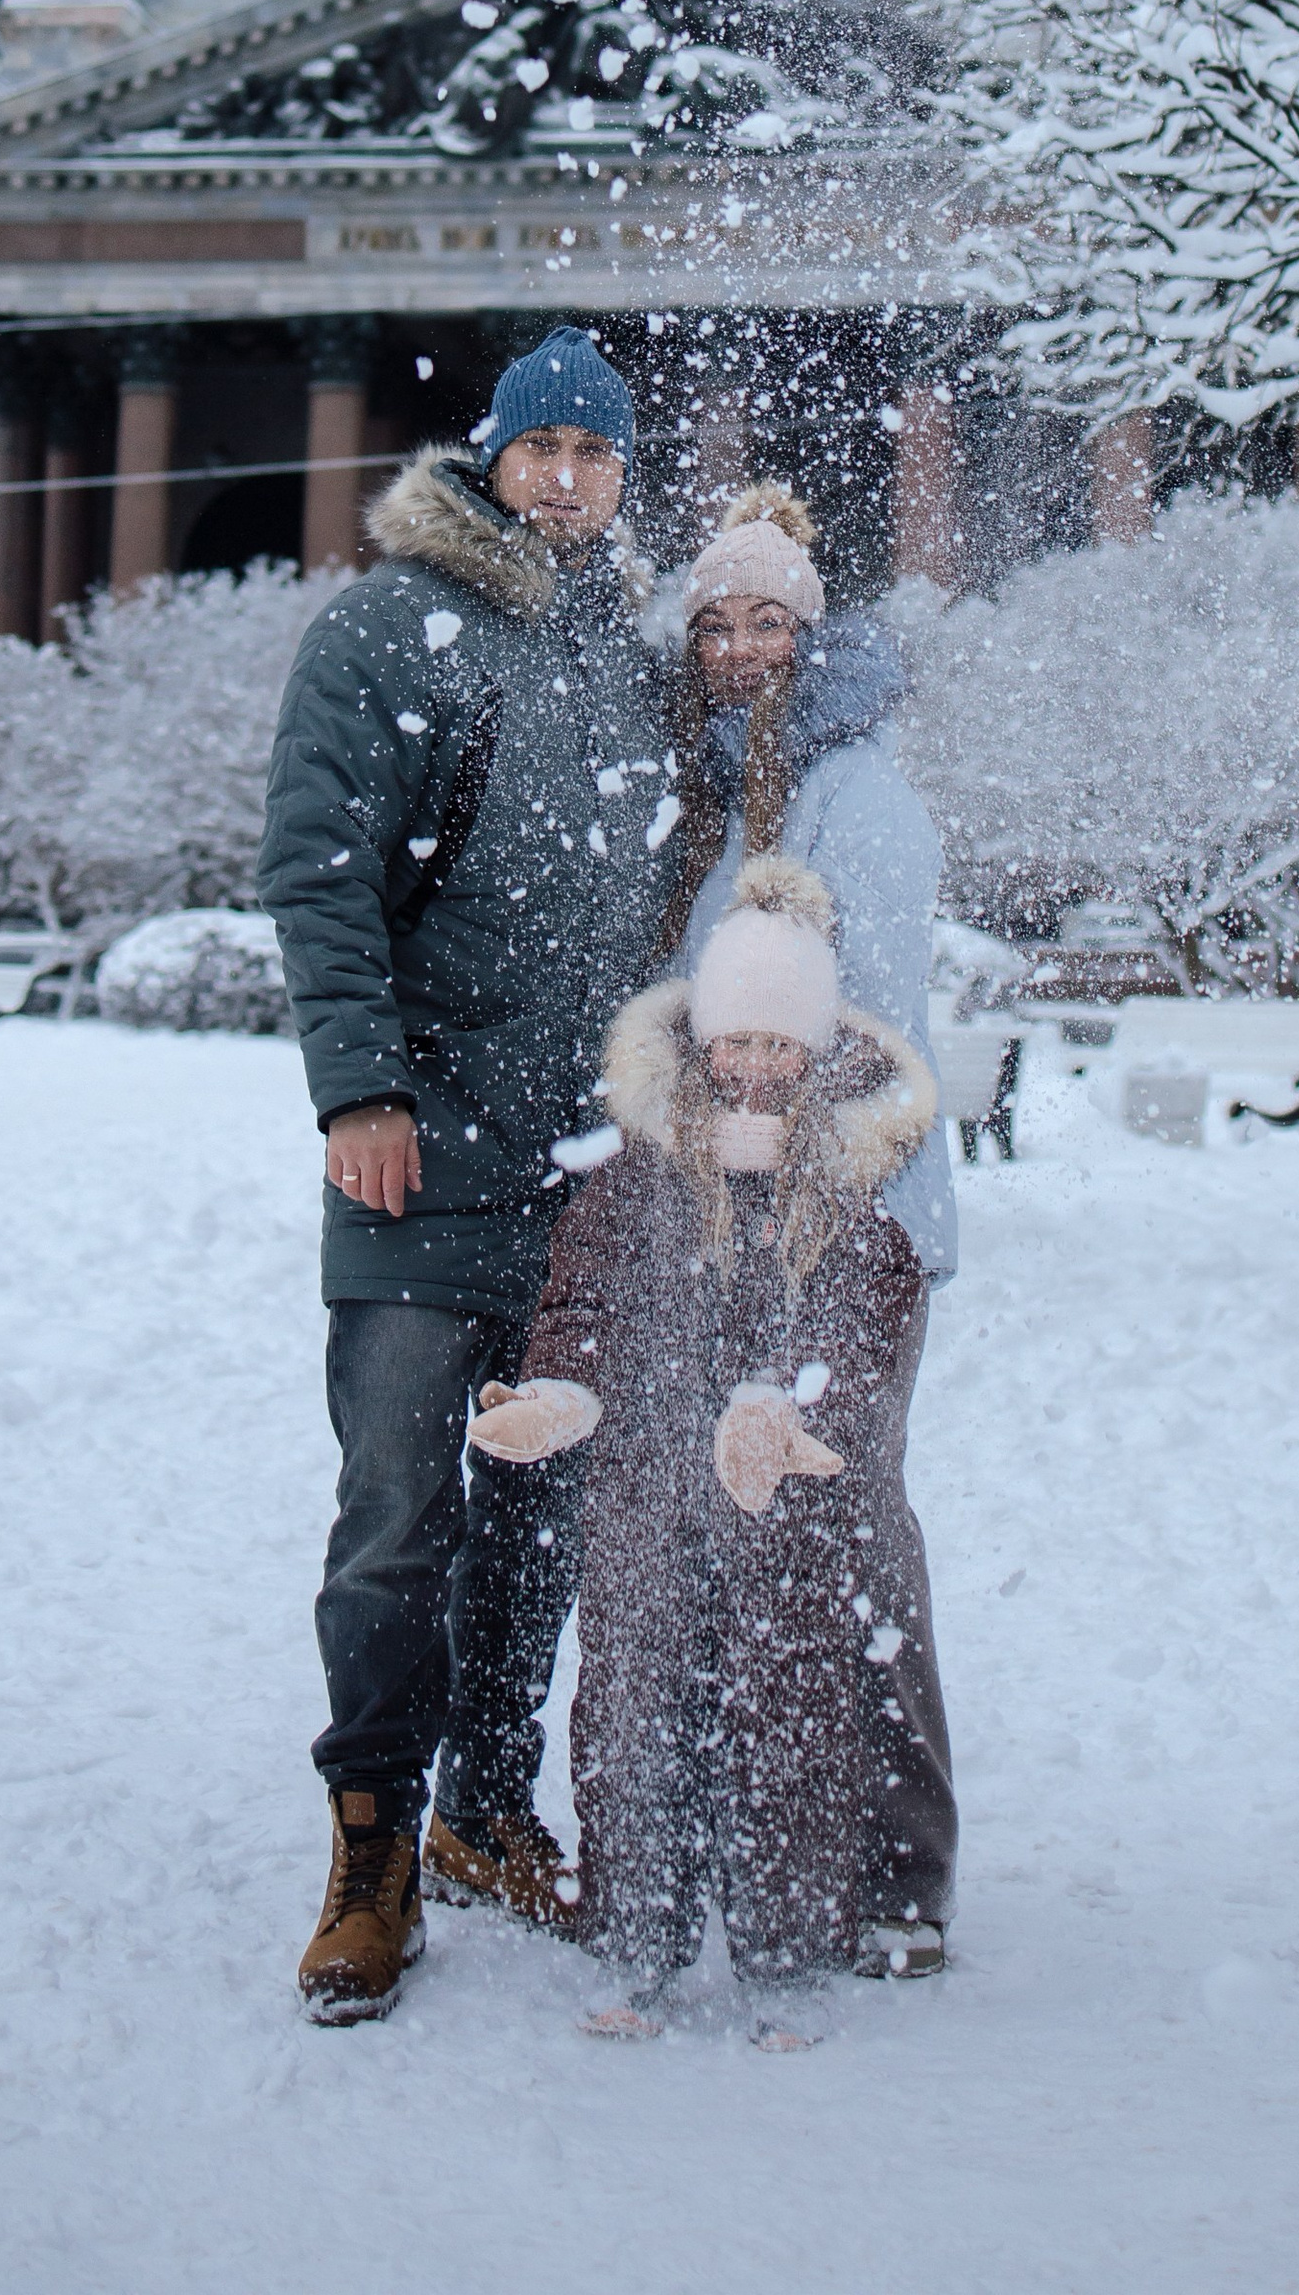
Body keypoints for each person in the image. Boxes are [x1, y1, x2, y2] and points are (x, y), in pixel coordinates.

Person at [257, 325, 670, 2026]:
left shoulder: (630, 658)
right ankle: (372, 1850)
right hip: (419, 1165)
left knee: (538, 1516)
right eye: (542, 446)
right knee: (398, 1524)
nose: (568, 473)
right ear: (491, 456)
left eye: (598, 450)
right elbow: (316, 867)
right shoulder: (382, 629)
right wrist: (360, 1089)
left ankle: (489, 1807)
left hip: (582, 1176)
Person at [470, 856, 941, 2046]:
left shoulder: (847, 1194)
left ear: (820, 1053)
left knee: (789, 1716)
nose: (758, 1067)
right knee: (632, 1708)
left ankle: (787, 1955)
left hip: (782, 1510)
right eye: (738, 1043)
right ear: (698, 1043)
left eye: (783, 1048)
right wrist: (561, 1390)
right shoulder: (633, 1182)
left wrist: (796, 1413)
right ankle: (636, 1937)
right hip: (643, 1497)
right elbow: (580, 1300)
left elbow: (863, 1329)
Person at [663, 478, 958, 1974]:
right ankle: (776, 1844)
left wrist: (796, 1193)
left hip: (854, 1223)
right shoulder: (725, 790)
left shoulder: (861, 802)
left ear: (812, 635)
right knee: (751, 1523)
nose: (737, 645)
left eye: (767, 620)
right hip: (732, 1214)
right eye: (714, 620)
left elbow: (874, 1042)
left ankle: (900, 1875)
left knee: (845, 1518)